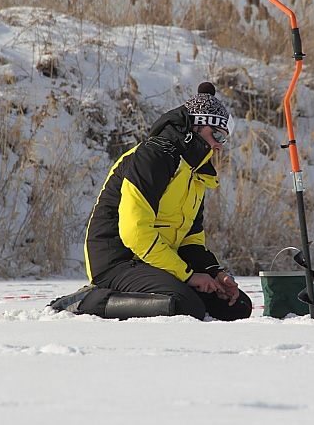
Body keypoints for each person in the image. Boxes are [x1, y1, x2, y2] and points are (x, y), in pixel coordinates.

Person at [49, 82, 252, 321]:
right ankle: (85, 302)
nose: (219, 146)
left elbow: (191, 238)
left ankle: (174, 289)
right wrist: (187, 276)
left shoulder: (195, 173)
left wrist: (212, 272)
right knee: (184, 306)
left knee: (235, 305)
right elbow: (136, 232)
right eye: (216, 135)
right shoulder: (152, 157)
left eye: (224, 140)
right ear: (195, 127)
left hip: (158, 261)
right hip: (120, 261)